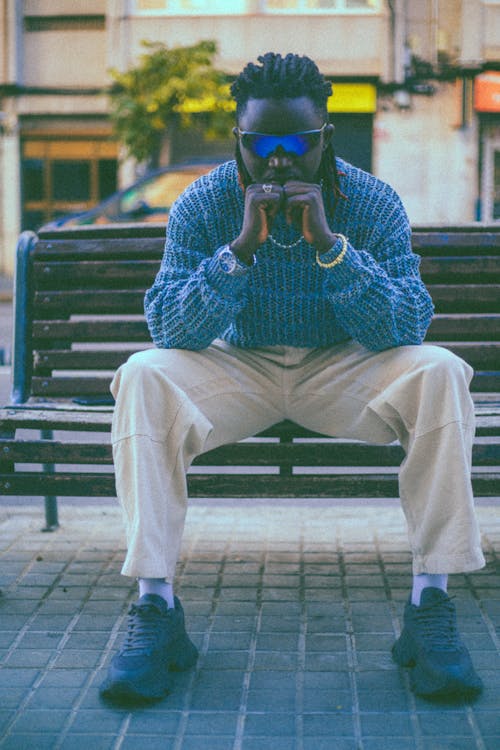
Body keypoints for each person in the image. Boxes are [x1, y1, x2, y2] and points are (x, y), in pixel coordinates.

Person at [100, 52, 485, 705]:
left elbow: (407, 327)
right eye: (261, 144)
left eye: (297, 143)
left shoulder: (370, 201)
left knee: (440, 371)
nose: (279, 159)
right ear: (238, 142)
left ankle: (431, 606)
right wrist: (240, 249)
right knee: (142, 375)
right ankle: (156, 607)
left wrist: (332, 247)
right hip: (240, 369)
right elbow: (169, 329)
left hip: (341, 369)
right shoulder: (204, 202)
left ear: (325, 138)